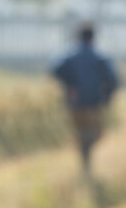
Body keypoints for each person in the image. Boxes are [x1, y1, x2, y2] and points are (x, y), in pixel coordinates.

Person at [51, 21, 120, 175]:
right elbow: (113, 80)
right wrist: (106, 98)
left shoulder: (68, 55)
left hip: (74, 103)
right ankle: (86, 158)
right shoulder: (100, 57)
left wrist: (70, 85)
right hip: (94, 103)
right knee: (95, 133)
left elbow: (55, 70)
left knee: (81, 132)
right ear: (93, 37)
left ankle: (85, 160)